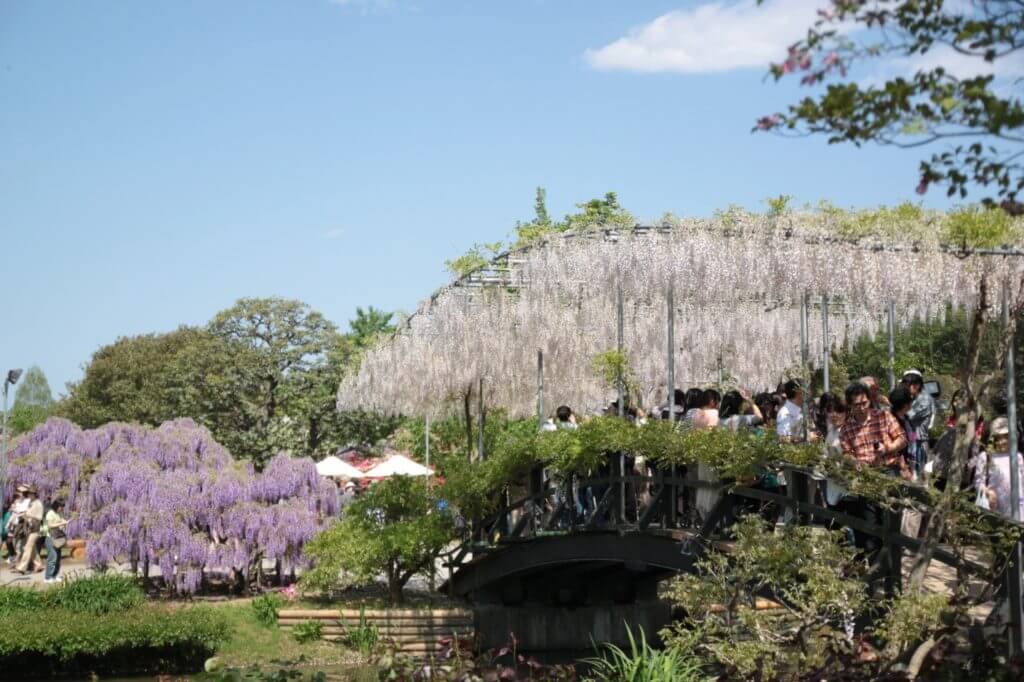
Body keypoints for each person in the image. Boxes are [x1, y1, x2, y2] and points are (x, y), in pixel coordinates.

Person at [839, 382, 908, 558]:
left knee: (890, 520)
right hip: (865, 476)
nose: (861, 408)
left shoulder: (883, 416)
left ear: (869, 400)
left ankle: (891, 570)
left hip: (887, 470)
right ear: (850, 405)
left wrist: (887, 448)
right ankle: (875, 569)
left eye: (864, 403)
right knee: (870, 526)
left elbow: (902, 438)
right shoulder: (847, 428)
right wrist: (854, 462)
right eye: (857, 405)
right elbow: (846, 454)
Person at [974, 417, 1024, 520]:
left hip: (1018, 510)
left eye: (1006, 437)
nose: (1002, 441)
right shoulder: (986, 457)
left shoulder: (1017, 456)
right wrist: (988, 492)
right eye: (998, 438)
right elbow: (978, 482)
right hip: (994, 510)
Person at [901, 369, 935, 477]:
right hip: (910, 439)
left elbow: (907, 415)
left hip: (919, 441)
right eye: (905, 384)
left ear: (918, 384)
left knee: (918, 475)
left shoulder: (924, 399)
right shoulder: (911, 398)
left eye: (910, 384)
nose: (907, 387)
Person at [14, 486, 45, 574]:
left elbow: (39, 517)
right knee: (32, 548)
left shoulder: (38, 503)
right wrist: (23, 514)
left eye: (31, 494)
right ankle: (38, 565)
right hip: (29, 528)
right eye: (29, 494)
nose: (29, 495)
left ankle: (22, 567)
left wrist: (28, 516)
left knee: (28, 547)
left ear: (35, 494)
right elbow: (28, 513)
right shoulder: (31, 502)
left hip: (35, 528)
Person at [888, 386, 916, 479]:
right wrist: (903, 467)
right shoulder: (889, 420)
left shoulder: (908, 419)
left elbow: (913, 440)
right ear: (905, 404)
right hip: (894, 466)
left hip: (907, 464)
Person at [42, 499, 68, 583]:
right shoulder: (50, 513)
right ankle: (47, 577)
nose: (62, 508)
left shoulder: (58, 514)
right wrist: (61, 523)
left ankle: (54, 575)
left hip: (58, 538)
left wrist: (63, 522)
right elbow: (49, 525)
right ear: (56, 506)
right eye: (61, 506)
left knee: (58, 558)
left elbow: (59, 524)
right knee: (52, 558)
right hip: (51, 538)